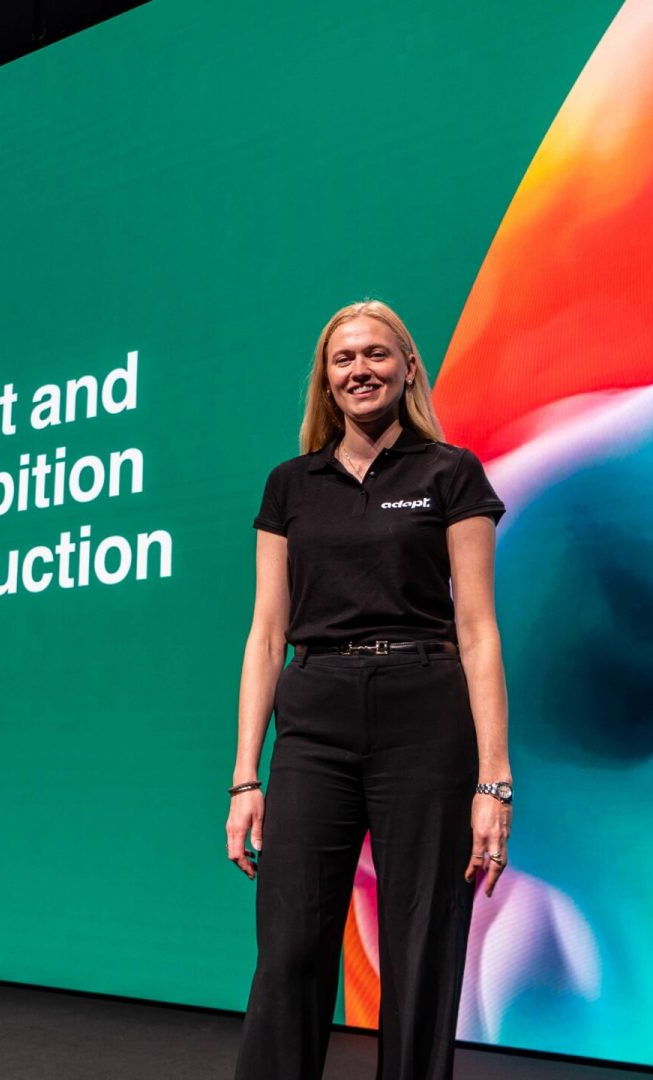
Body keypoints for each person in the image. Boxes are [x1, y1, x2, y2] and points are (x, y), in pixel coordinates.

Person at [228, 299, 513, 1080]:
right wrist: (245, 777)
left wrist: (495, 781)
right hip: (315, 712)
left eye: (377, 355)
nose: (361, 369)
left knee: (421, 948)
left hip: (425, 712)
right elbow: (265, 633)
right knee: (288, 948)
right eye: (344, 358)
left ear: (408, 366)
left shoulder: (449, 473)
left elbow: (479, 631)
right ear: (326, 378)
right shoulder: (291, 486)